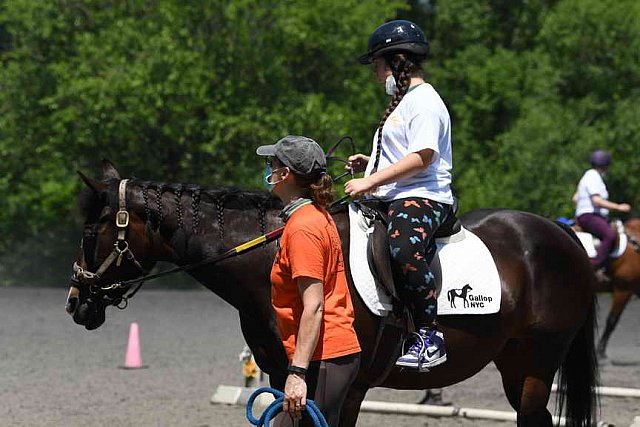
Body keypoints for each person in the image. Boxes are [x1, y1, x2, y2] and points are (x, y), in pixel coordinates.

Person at [344, 20, 454, 370]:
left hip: (425, 196)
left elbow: (422, 157)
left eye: (377, 66)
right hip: (398, 192)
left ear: (397, 61)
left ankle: (429, 334)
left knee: (402, 246)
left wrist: (368, 182)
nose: (376, 74)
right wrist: (370, 161)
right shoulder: (403, 101)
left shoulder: (424, 101)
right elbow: (402, 152)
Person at [256, 135, 361, 427]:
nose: (268, 170)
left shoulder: (303, 227)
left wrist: (297, 374)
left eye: (272, 164)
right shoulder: (313, 216)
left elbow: (313, 306)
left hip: (324, 357)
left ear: (286, 174)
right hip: (327, 356)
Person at [574, 149, 631, 277]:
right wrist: (618, 207)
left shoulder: (587, 176)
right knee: (610, 235)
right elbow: (597, 200)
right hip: (590, 216)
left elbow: (575, 198)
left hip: (586, 215)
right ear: (606, 165)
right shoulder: (594, 177)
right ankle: (594, 266)